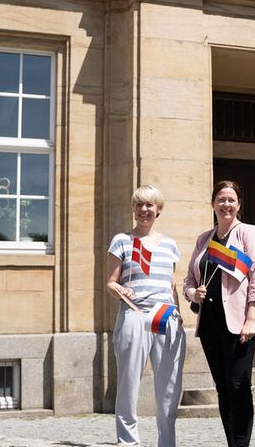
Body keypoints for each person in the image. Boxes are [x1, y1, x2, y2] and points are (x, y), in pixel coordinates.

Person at [183, 181, 255, 447]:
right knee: (222, 387)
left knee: (238, 385)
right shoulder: (203, 239)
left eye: (231, 199)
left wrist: (252, 319)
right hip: (209, 323)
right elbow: (187, 280)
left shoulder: (248, 233)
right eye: (221, 199)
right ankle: (232, 442)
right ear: (213, 204)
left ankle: (241, 443)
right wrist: (191, 294)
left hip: (240, 322)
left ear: (239, 204)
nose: (226, 204)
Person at [106, 185, 185, 447]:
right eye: (139, 204)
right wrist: (122, 291)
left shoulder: (171, 246)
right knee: (129, 385)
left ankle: (167, 442)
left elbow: (171, 284)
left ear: (158, 210)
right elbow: (110, 282)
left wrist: (179, 316)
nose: (144, 210)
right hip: (134, 315)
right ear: (133, 208)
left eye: (149, 205)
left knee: (169, 388)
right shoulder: (122, 241)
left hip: (165, 317)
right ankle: (128, 442)